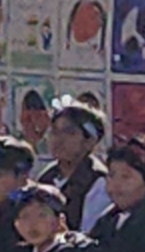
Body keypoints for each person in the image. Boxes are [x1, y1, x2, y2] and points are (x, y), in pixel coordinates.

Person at [43, 98, 113, 233]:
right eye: (54, 131)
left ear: (90, 141)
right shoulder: (48, 176)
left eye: (69, 132)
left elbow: (90, 234)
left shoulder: (99, 182)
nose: (58, 138)